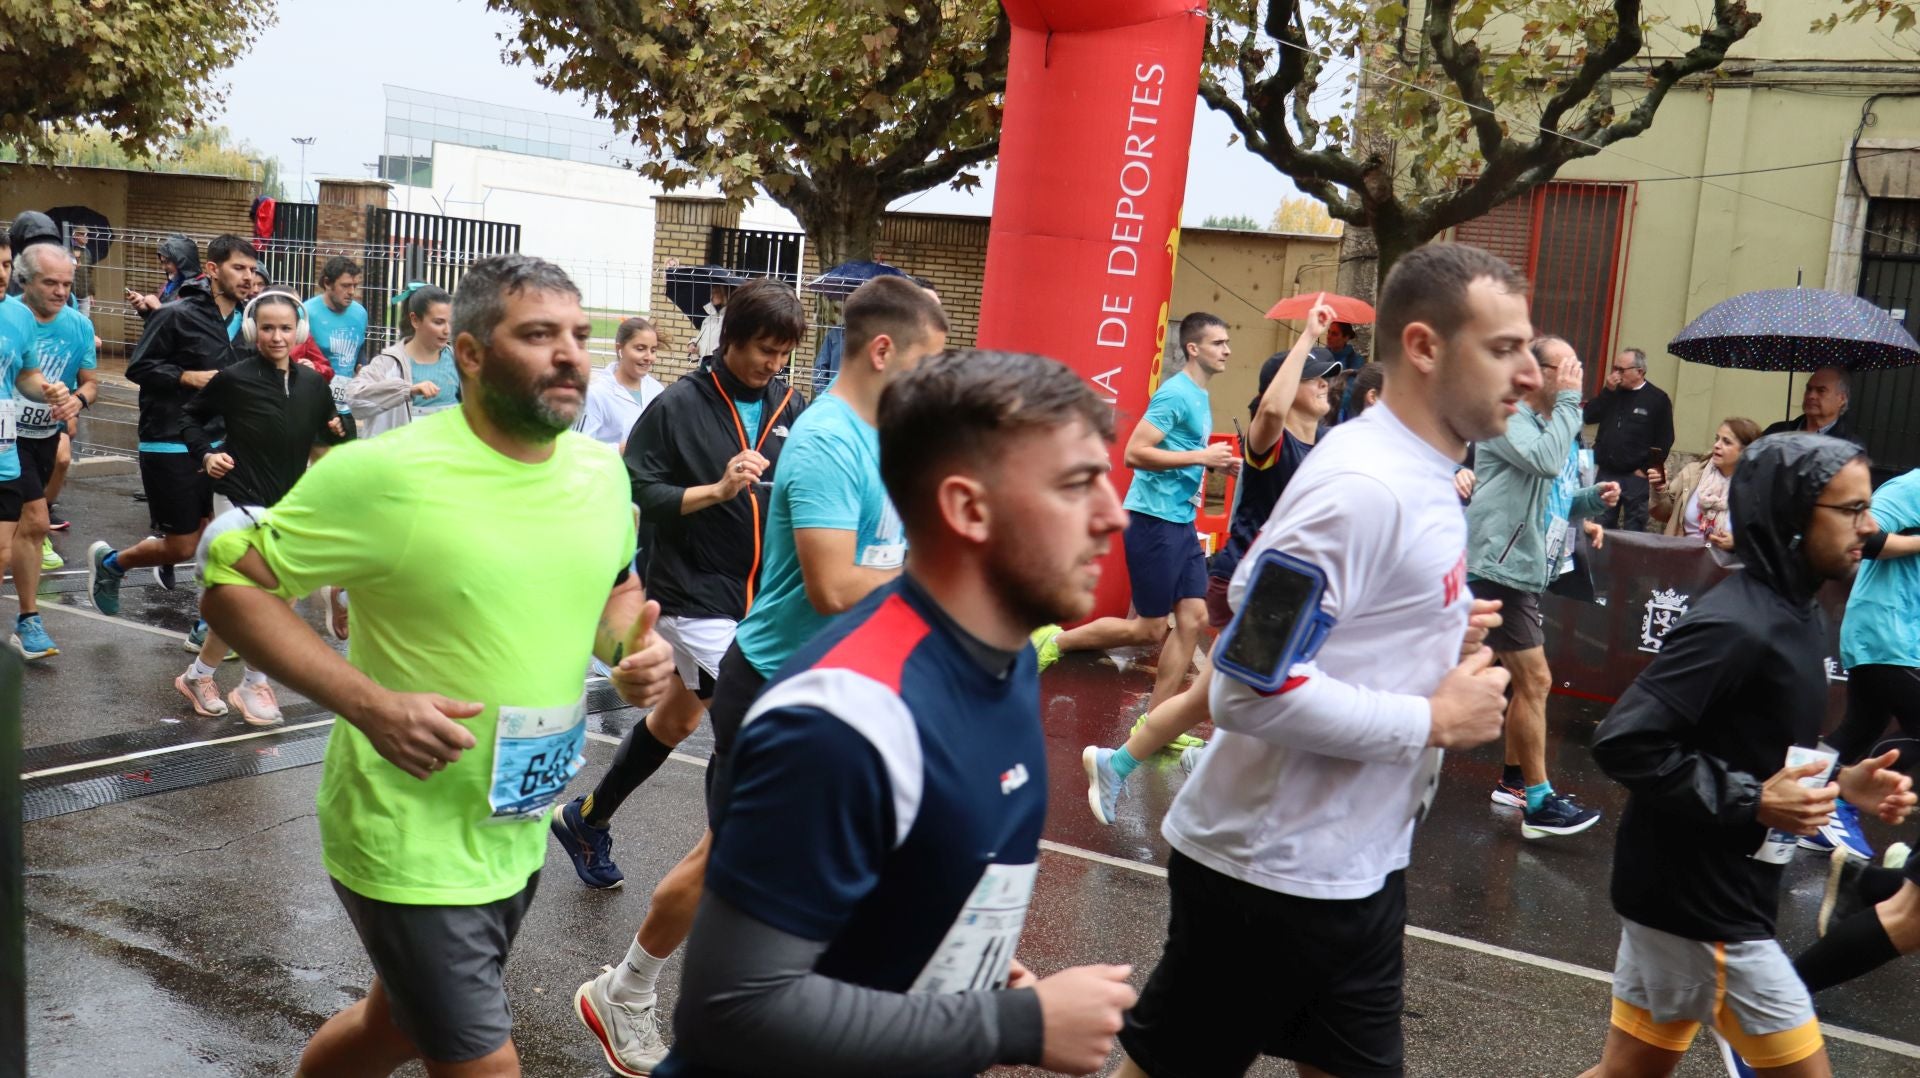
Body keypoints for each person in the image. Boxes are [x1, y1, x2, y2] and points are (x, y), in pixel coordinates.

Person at [198, 253, 678, 1078]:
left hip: (514, 824)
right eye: (538, 335)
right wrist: (370, 704)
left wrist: (633, 650)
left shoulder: (601, 474)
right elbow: (228, 581)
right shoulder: (389, 477)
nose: (570, 353)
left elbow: (616, 588)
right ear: (470, 353)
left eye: (577, 334)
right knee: (480, 1062)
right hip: (406, 835)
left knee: (397, 1027)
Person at [653, 348, 1136, 1078]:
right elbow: (733, 1011)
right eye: (1078, 485)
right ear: (968, 508)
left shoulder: (998, 659)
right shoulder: (845, 719)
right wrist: (1013, 1024)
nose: (1115, 516)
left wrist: (958, 966)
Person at [1113, 243, 1529, 1078]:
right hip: (1270, 877)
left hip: (1359, 866)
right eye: (1503, 349)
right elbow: (1245, 688)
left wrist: (1444, 636)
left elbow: (1351, 630)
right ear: (1423, 347)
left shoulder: (1427, 473)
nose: (1530, 374)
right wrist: (1432, 718)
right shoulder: (1357, 489)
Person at [571, 276, 948, 1076]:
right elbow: (835, 586)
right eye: (926, 361)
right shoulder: (825, 439)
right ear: (882, 350)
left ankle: (798, 1007)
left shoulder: (865, 430)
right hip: (777, 682)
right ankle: (629, 991)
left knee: (835, 855)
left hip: (840, 683)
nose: (930, 379)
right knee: (731, 860)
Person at [1579, 434, 1913, 1078]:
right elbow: (1625, 739)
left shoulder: (1798, 611)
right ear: (1791, 514)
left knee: (1628, 1074)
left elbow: (1758, 746)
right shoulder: (1736, 623)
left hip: (1685, 892)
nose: (1869, 528)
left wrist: (1844, 782)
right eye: (1850, 511)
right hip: (1707, 909)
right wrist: (1753, 800)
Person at [549, 277, 807, 890]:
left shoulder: (790, 403)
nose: (772, 364)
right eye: (762, 349)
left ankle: (587, 819)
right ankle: (738, 866)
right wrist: (714, 491)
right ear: (731, 339)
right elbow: (635, 488)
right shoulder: (679, 404)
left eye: (782, 353)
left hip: (759, 597)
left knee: (679, 718)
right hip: (692, 595)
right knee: (757, 718)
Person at [1077, 302, 1338, 826]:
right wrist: (1307, 337)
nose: (1327, 386)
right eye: (1317, 379)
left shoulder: (1325, 445)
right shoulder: (1270, 436)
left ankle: (1142, 754)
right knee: (1159, 636)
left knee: (1206, 668)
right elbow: (1136, 452)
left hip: (1287, 589)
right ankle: (1062, 651)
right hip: (1251, 578)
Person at [1034, 312, 1241, 714]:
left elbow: (1181, 455)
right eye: (1219, 343)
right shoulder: (1176, 394)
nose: (1228, 350)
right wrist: (1203, 456)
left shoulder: (1198, 395)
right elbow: (1135, 453)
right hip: (1154, 520)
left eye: (1227, 342)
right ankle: (1054, 641)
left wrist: (1216, 464)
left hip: (1180, 521)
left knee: (1194, 619)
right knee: (1148, 629)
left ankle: (1154, 720)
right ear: (1193, 349)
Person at [88, 235, 256, 696]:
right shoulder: (177, 314)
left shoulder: (246, 323)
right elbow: (137, 368)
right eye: (238, 267)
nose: (247, 276)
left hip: (218, 443)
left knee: (216, 538)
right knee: (182, 545)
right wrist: (186, 376)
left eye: (251, 269)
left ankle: (208, 624)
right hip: (166, 439)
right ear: (213, 268)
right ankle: (112, 563)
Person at [1468, 336, 1619, 839]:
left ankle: (1516, 784)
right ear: (1537, 372)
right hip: (1495, 568)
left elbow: (1551, 495)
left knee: (1519, 682)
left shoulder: (1549, 427)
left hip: (1521, 569)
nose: (1578, 377)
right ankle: (1538, 801)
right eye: (1569, 367)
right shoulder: (1506, 415)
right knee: (1534, 681)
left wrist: (1591, 500)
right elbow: (1545, 462)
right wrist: (1574, 405)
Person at [178, 291, 347, 723]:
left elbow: (327, 447)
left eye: (285, 328)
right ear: (254, 330)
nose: (277, 336)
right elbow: (189, 418)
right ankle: (254, 683)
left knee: (272, 598)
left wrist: (341, 435)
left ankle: (202, 675)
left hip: (286, 505)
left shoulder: (313, 384)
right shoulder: (234, 378)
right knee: (260, 598)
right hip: (236, 498)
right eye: (268, 327)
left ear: (299, 332)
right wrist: (205, 454)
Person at [1791, 467, 1920, 988]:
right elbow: (1867, 539)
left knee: (1855, 729)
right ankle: (1825, 803)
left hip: (1895, 634)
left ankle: (1805, 804)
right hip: (1888, 633)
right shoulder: (1910, 487)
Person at [2, 244, 96, 660]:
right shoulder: (21, 313)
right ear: (28, 280)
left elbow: (28, 373)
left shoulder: (51, 322)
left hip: (23, 438)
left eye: (67, 284)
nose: (61, 291)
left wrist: (66, 396)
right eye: (50, 282)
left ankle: (27, 618)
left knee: (25, 533)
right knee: (35, 519)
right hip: (13, 439)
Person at [349, 284, 461, 438]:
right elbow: (355, 400)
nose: (447, 330)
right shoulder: (389, 363)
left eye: (450, 322)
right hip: (402, 458)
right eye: (438, 322)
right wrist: (407, 390)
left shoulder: (457, 361)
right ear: (415, 320)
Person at [1584, 347, 1674, 533]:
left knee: (1634, 528)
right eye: (1614, 369)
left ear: (1639, 372)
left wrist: (1645, 469)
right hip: (1607, 472)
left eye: (1621, 370)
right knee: (1602, 526)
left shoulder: (1657, 398)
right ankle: (1600, 562)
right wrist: (1607, 391)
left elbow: (1665, 438)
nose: (1616, 374)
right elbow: (1588, 416)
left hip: (1635, 476)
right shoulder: (1613, 393)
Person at [1650, 418, 1761, 549]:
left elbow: (1766, 540)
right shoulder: (1693, 473)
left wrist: (1738, 543)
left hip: (1725, 566)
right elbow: (1663, 514)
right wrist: (1660, 489)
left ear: (1746, 451)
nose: (1717, 445)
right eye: (1717, 439)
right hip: (1681, 559)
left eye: (1726, 442)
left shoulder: (1757, 489)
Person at [575, 316, 665, 450]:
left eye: (653, 350)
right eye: (640, 349)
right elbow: (577, 446)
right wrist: (621, 450)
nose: (649, 357)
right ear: (620, 349)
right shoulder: (596, 394)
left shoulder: (657, 390)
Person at [306, 256, 369, 438]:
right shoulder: (307, 312)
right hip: (313, 404)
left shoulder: (360, 313)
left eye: (355, 286)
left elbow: (359, 348)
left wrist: (362, 366)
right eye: (345, 285)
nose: (351, 292)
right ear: (327, 283)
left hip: (344, 405)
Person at [1762, 366, 1858, 444]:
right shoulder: (1776, 432)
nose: (1811, 396)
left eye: (1821, 390)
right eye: (1809, 389)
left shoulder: (1849, 445)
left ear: (1841, 399)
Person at [130, 234, 200, 316]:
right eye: (162, 262)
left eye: (167, 262)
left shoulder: (198, 291)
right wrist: (145, 308)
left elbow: (189, 324)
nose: (163, 267)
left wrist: (159, 307)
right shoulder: (169, 286)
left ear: (183, 262)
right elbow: (159, 322)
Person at [690, 280, 733, 361]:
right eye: (711, 292)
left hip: (719, 369)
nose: (711, 296)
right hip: (704, 368)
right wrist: (693, 344)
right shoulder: (708, 319)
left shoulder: (730, 320)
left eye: (715, 292)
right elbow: (702, 341)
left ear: (724, 293)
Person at [69, 227, 93, 318]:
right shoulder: (69, 250)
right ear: (75, 236)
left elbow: (89, 273)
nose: (86, 237)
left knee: (84, 319)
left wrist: (91, 293)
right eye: (82, 234)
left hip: (84, 294)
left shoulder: (87, 252)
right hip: (71, 292)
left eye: (87, 235)